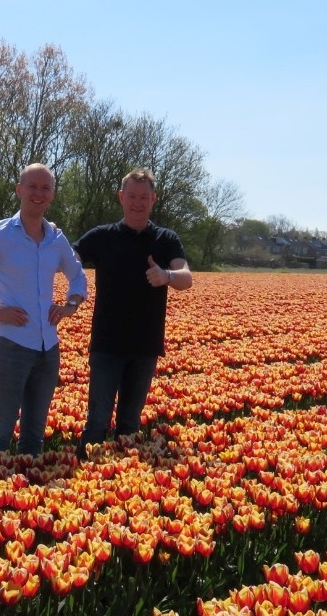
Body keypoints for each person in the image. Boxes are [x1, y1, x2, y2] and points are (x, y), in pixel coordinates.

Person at [0, 163, 88, 456]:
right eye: (32, 187)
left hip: (49, 346)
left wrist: (70, 305)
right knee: (1, 433)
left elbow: (78, 276)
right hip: (13, 344)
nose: (38, 193)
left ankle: (26, 495)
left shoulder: (55, 239)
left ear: (53, 195)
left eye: (45, 188)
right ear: (19, 190)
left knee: (34, 437)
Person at [72, 167, 192, 458]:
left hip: (145, 345)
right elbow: (70, 257)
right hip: (107, 342)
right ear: (121, 197)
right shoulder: (102, 236)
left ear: (153, 199)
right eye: (132, 196)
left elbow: (186, 277)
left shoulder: (165, 239)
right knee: (96, 422)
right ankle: (87, 482)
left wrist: (166, 276)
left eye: (144, 197)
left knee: (129, 425)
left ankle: (121, 480)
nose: (137, 203)